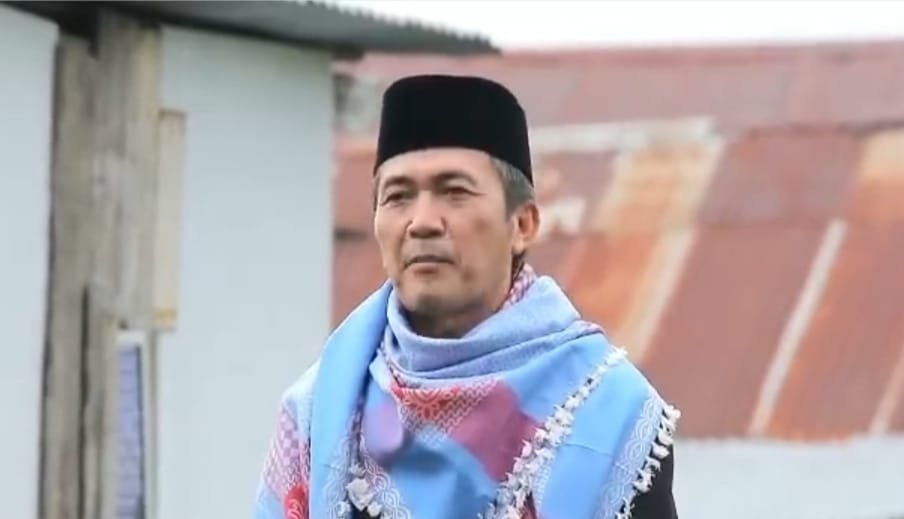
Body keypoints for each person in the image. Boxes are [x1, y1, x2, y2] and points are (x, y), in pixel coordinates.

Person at [254, 74, 680, 519]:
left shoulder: (607, 412)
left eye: (454, 192)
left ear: (523, 225)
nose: (422, 222)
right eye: (398, 196)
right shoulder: (320, 413)